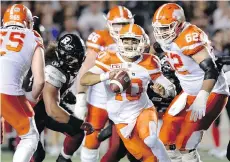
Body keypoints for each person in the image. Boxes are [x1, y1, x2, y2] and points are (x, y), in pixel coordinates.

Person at [81, 24, 176, 162]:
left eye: (134, 41)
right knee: (148, 158)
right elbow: (85, 79)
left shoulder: (150, 61)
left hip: (143, 110)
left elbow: (168, 86)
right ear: (119, 41)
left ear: (141, 42)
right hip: (121, 119)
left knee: (150, 139)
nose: (130, 44)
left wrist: (165, 90)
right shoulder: (108, 58)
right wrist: (107, 75)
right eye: (126, 40)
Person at [58, 6, 137, 162]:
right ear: (108, 24)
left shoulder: (137, 37)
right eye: (117, 24)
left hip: (125, 98)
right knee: (92, 139)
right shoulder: (100, 37)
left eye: (125, 23)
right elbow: (87, 68)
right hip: (101, 95)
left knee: (121, 147)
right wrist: (81, 97)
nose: (121, 28)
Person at [152, 3, 229, 162]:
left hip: (211, 91)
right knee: (166, 137)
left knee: (185, 144)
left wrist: (202, 97)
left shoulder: (189, 37)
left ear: (179, 24)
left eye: (166, 28)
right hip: (188, 91)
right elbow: (156, 48)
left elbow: (211, 70)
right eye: (158, 28)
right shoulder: (166, 39)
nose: (161, 33)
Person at [22, 34, 94, 162]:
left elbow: (53, 92)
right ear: (62, 55)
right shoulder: (52, 70)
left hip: (43, 105)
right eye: (73, 58)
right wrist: (78, 123)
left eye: (79, 57)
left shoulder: (63, 63)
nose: (76, 62)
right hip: (30, 112)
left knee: (76, 133)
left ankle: (63, 160)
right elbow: (52, 110)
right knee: (36, 155)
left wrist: (65, 94)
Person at [0, 4, 45, 162]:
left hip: (6, 91)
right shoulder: (33, 36)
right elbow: (39, 80)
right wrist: (31, 99)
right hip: (6, 91)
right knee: (29, 137)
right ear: (27, 22)